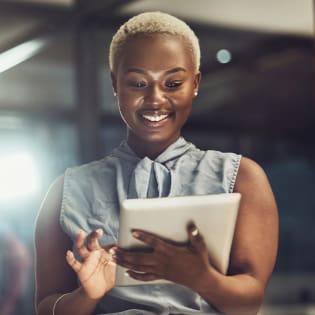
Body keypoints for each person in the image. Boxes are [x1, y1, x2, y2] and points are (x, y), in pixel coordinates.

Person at [34, 11, 278, 315]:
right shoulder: (65, 191)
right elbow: (46, 309)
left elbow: (250, 304)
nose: (155, 99)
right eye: (137, 83)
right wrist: (88, 294)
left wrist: (202, 278)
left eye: (173, 83)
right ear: (115, 84)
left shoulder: (243, 178)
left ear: (196, 83)